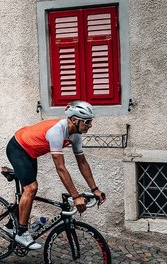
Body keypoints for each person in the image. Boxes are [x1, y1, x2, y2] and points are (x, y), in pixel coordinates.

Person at [6, 100, 107, 249]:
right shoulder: (57, 131)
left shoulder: (76, 134)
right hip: (18, 148)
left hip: (31, 152)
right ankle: (21, 232)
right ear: (74, 120)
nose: (90, 125)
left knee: (27, 192)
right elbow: (60, 167)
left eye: (90, 121)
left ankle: (10, 224)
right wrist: (76, 196)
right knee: (31, 188)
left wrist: (94, 189)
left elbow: (82, 163)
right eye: (87, 122)